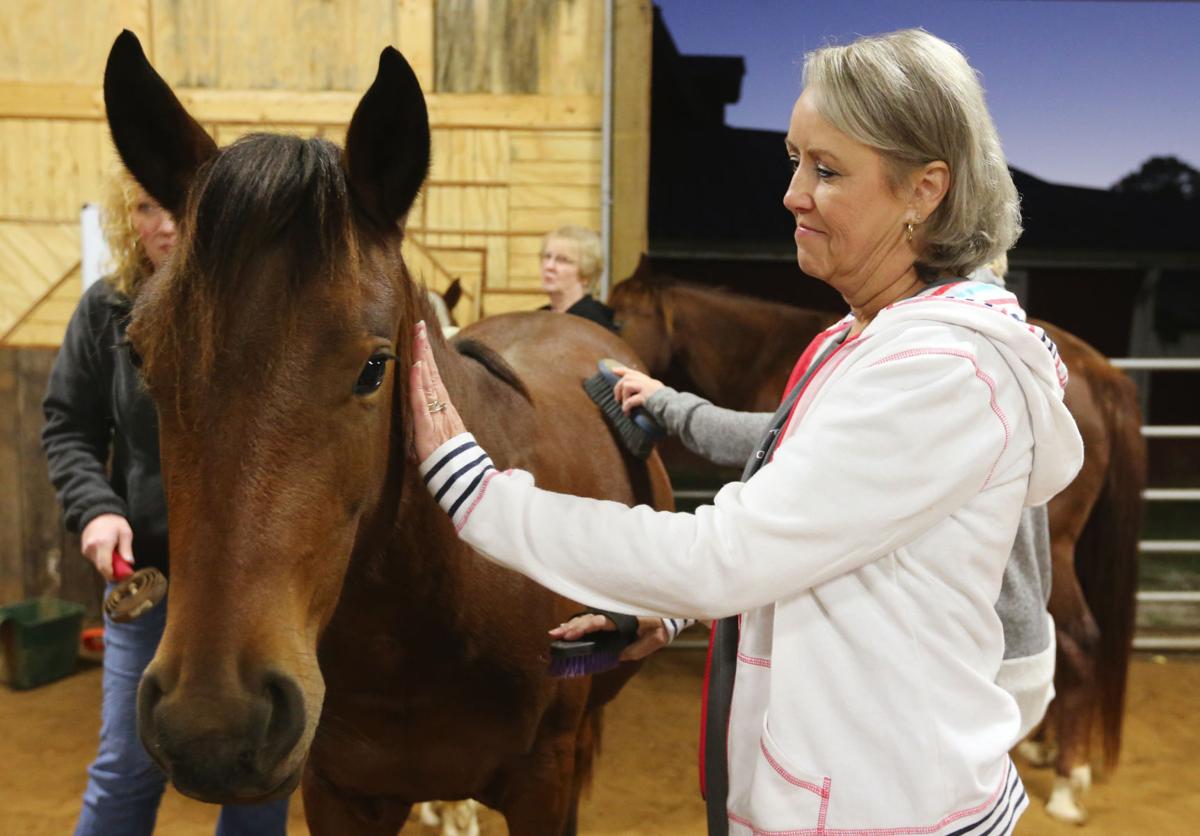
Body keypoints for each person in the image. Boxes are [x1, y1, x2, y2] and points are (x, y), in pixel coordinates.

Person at [408, 28, 1083, 836]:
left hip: (884, 813)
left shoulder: (941, 373)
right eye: (795, 160)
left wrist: (475, 492)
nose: (793, 194)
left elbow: (727, 555)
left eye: (827, 170)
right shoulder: (860, 339)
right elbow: (812, 537)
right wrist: (669, 617)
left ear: (924, 190)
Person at [42, 169, 290, 835]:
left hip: (254, 592)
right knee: (128, 767)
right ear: (130, 219)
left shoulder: (262, 312)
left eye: (179, 206)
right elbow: (69, 425)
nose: (166, 224)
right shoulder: (107, 309)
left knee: (259, 773)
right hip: (149, 583)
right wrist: (97, 508)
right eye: (148, 207)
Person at [538, 224, 618, 331]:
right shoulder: (538, 318)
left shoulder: (595, 324)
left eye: (562, 260)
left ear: (586, 275)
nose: (549, 266)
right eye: (547, 257)